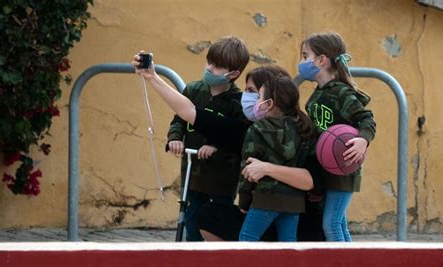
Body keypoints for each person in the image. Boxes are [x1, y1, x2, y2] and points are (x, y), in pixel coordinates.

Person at [132, 55, 323, 241]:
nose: (245, 97)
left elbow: (309, 181)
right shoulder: (246, 129)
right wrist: (153, 77)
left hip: (302, 224)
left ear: (270, 98)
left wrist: (265, 169)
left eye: (251, 91)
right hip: (266, 215)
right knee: (210, 215)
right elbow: (189, 111)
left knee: (252, 236)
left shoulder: (302, 129)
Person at [166, 36, 249, 241]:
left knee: (216, 224)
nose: (210, 68)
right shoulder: (194, 90)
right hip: (193, 176)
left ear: (233, 74)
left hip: (222, 179)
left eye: (218, 66)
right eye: (209, 62)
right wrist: (175, 138)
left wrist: (216, 146)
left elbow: (237, 139)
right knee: (191, 223)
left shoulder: (238, 103)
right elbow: (179, 119)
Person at [298, 32, 376, 241]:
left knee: (330, 224)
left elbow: (366, 118)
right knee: (338, 223)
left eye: (305, 56)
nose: (302, 62)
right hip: (325, 169)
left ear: (321, 60)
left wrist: (362, 140)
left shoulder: (341, 93)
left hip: (343, 166)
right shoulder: (317, 94)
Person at [237, 75, 315, 242]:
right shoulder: (304, 128)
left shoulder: (257, 129)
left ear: (269, 104)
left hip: (266, 198)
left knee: (247, 240)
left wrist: (244, 202)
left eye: (259, 97)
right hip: (295, 201)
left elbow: (247, 170)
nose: (256, 102)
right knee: (289, 247)